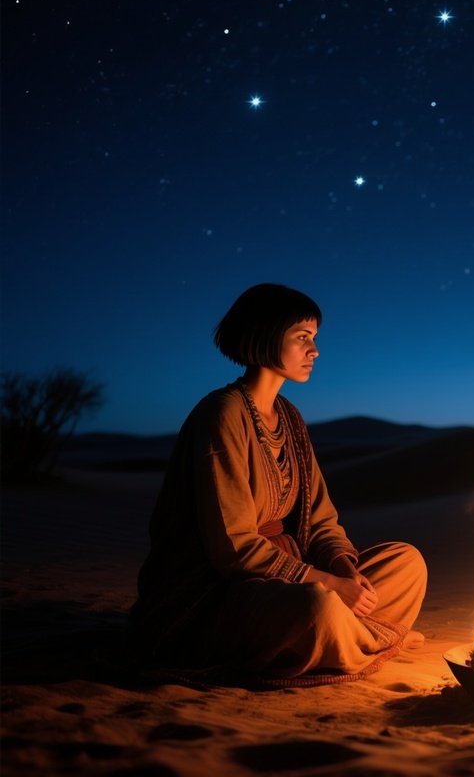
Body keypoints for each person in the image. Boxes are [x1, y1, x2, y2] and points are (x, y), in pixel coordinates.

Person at [130, 284, 426, 686]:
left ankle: (348, 637)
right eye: (302, 337)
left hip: (295, 576)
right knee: (317, 609)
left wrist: (345, 572)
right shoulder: (222, 414)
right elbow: (234, 548)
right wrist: (329, 584)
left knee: (407, 563)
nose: (314, 350)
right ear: (266, 336)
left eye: (314, 338)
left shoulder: (290, 417)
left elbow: (321, 521)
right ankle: (366, 638)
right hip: (224, 592)